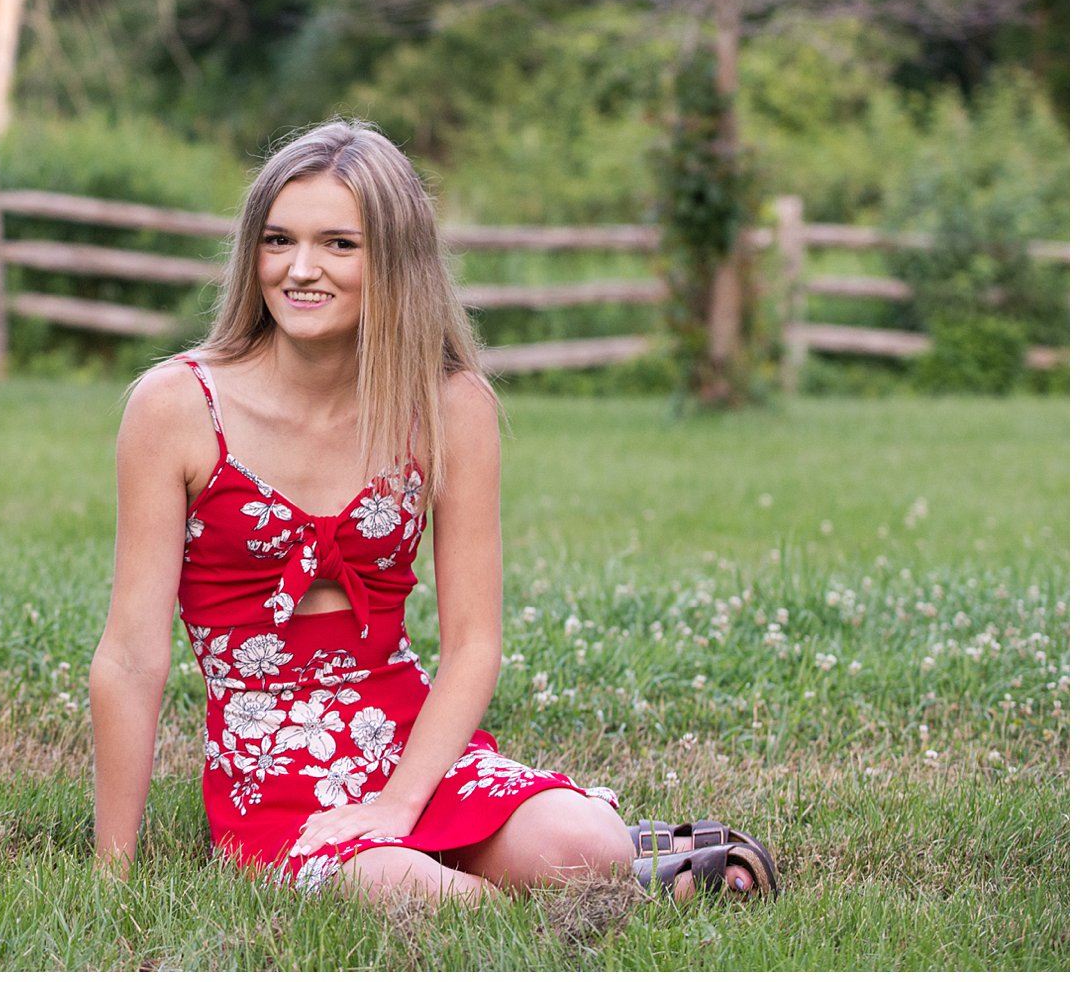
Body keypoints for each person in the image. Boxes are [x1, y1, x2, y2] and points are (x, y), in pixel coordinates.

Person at [89, 118, 778, 907]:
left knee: (583, 845)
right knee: (411, 891)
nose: (301, 269)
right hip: (273, 764)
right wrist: (115, 875)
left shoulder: (449, 406)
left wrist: (395, 804)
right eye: (278, 240)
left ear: (395, 259)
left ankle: (602, 864)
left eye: (339, 245)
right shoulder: (175, 406)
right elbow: (132, 658)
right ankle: (628, 885)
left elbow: (474, 643)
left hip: (410, 740)